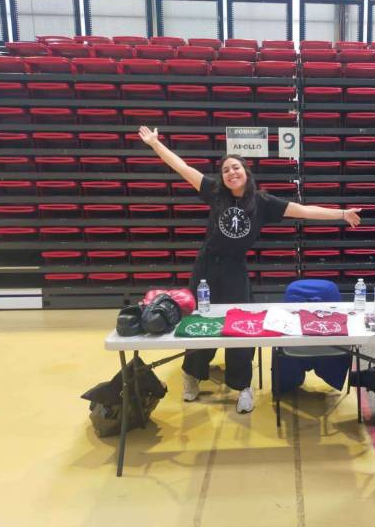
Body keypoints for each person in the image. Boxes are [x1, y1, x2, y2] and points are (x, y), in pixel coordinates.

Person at [138, 127, 362, 413]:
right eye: (226, 169)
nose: (231, 172)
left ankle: (242, 385)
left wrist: (342, 214)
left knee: (240, 325)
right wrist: (155, 143)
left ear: (246, 171)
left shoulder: (263, 202)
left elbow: (304, 211)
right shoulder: (214, 191)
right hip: (206, 265)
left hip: (234, 269)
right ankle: (192, 374)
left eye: (236, 167)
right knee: (197, 322)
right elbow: (181, 166)